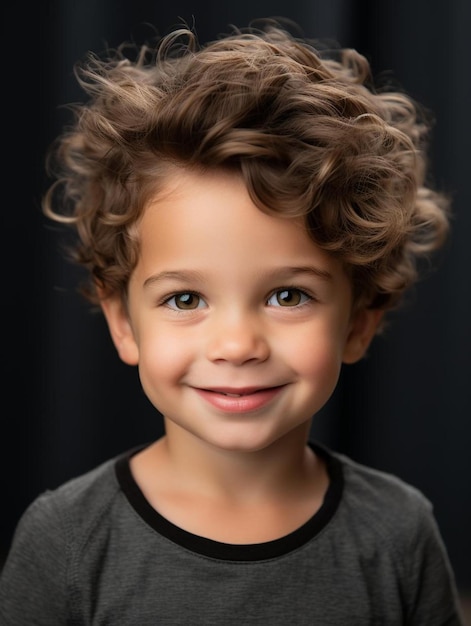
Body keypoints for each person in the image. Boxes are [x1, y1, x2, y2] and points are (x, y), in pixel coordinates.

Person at [0, 18, 464, 625]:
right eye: (186, 300)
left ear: (359, 323)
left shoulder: (399, 535)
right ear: (123, 323)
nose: (238, 344)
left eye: (288, 296)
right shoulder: (65, 541)